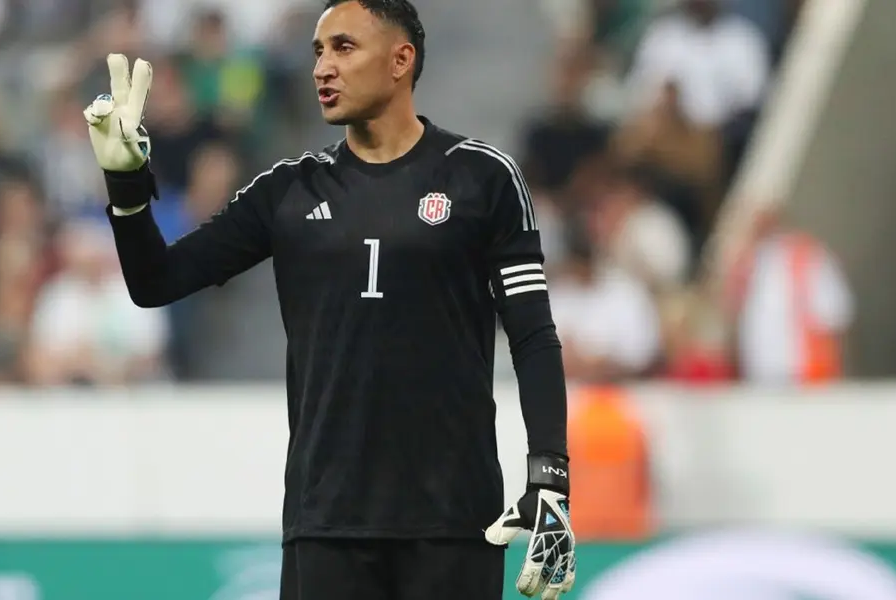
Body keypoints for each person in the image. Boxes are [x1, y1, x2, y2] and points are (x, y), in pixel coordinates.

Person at [84, 1, 575, 599]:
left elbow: (532, 335)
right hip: (326, 523)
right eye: (317, 51)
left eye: (343, 48)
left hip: (453, 521)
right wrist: (128, 189)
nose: (322, 67)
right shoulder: (288, 190)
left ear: (401, 60)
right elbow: (154, 282)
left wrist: (550, 477)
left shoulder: (483, 178)